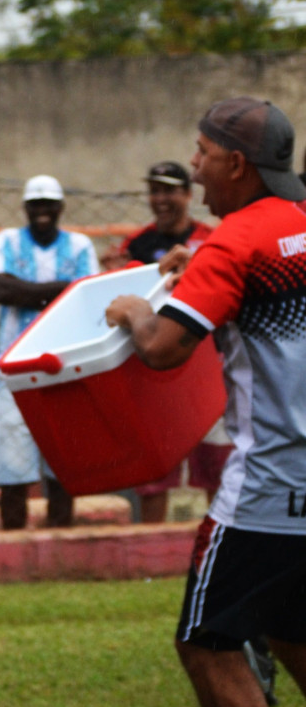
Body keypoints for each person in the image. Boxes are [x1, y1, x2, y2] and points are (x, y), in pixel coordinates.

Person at [103, 97, 306, 707]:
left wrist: (130, 305)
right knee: (290, 631)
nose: (193, 165)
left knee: (203, 641)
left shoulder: (235, 242)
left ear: (235, 162)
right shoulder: (278, 231)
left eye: (200, 152)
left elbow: (161, 349)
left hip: (265, 489)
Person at [105, 161, 225, 523]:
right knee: (157, 474)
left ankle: (218, 541)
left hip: (208, 365)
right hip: (155, 369)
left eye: (170, 189)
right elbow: (118, 296)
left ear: (188, 194)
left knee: (218, 465)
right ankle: (149, 554)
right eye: (155, 190)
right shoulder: (136, 244)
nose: (161, 198)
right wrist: (112, 275)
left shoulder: (211, 238)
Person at [0, 176, 98, 530]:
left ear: (60, 207)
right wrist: (59, 291)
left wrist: (29, 291)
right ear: (26, 208)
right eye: (36, 204)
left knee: (63, 450)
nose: (42, 212)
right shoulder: (7, 240)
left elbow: (86, 295)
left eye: (49, 204)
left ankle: (61, 532)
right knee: (10, 451)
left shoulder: (80, 245)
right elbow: (0, 289)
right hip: (15, 360)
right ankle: (13, 538)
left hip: (65, 361)